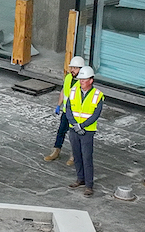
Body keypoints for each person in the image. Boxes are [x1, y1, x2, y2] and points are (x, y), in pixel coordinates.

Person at [68, 65, 103, 197]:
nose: (81, 81)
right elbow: (69, 109)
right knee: (77, 155)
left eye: (84, 79)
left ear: (91, 80)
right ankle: (80, 178)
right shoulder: (73, 91)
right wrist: (74, 124)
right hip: (74, 129)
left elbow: (95, 115)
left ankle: (89, 185)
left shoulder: (97, 95)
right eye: (80, 79)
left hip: (87, 131)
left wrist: (82, 126)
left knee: (87, 157)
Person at [44, 55, 85, 163]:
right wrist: (58, 105)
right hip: (66, 112)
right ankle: (56, 151)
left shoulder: (83, 83)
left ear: (81, 69)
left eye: (75, 68)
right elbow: (63, 91)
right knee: (61, 131)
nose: (72, 70)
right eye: (71, 67)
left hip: (76, 114)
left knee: (74, 135)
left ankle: (74, 155)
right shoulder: (68, 78)